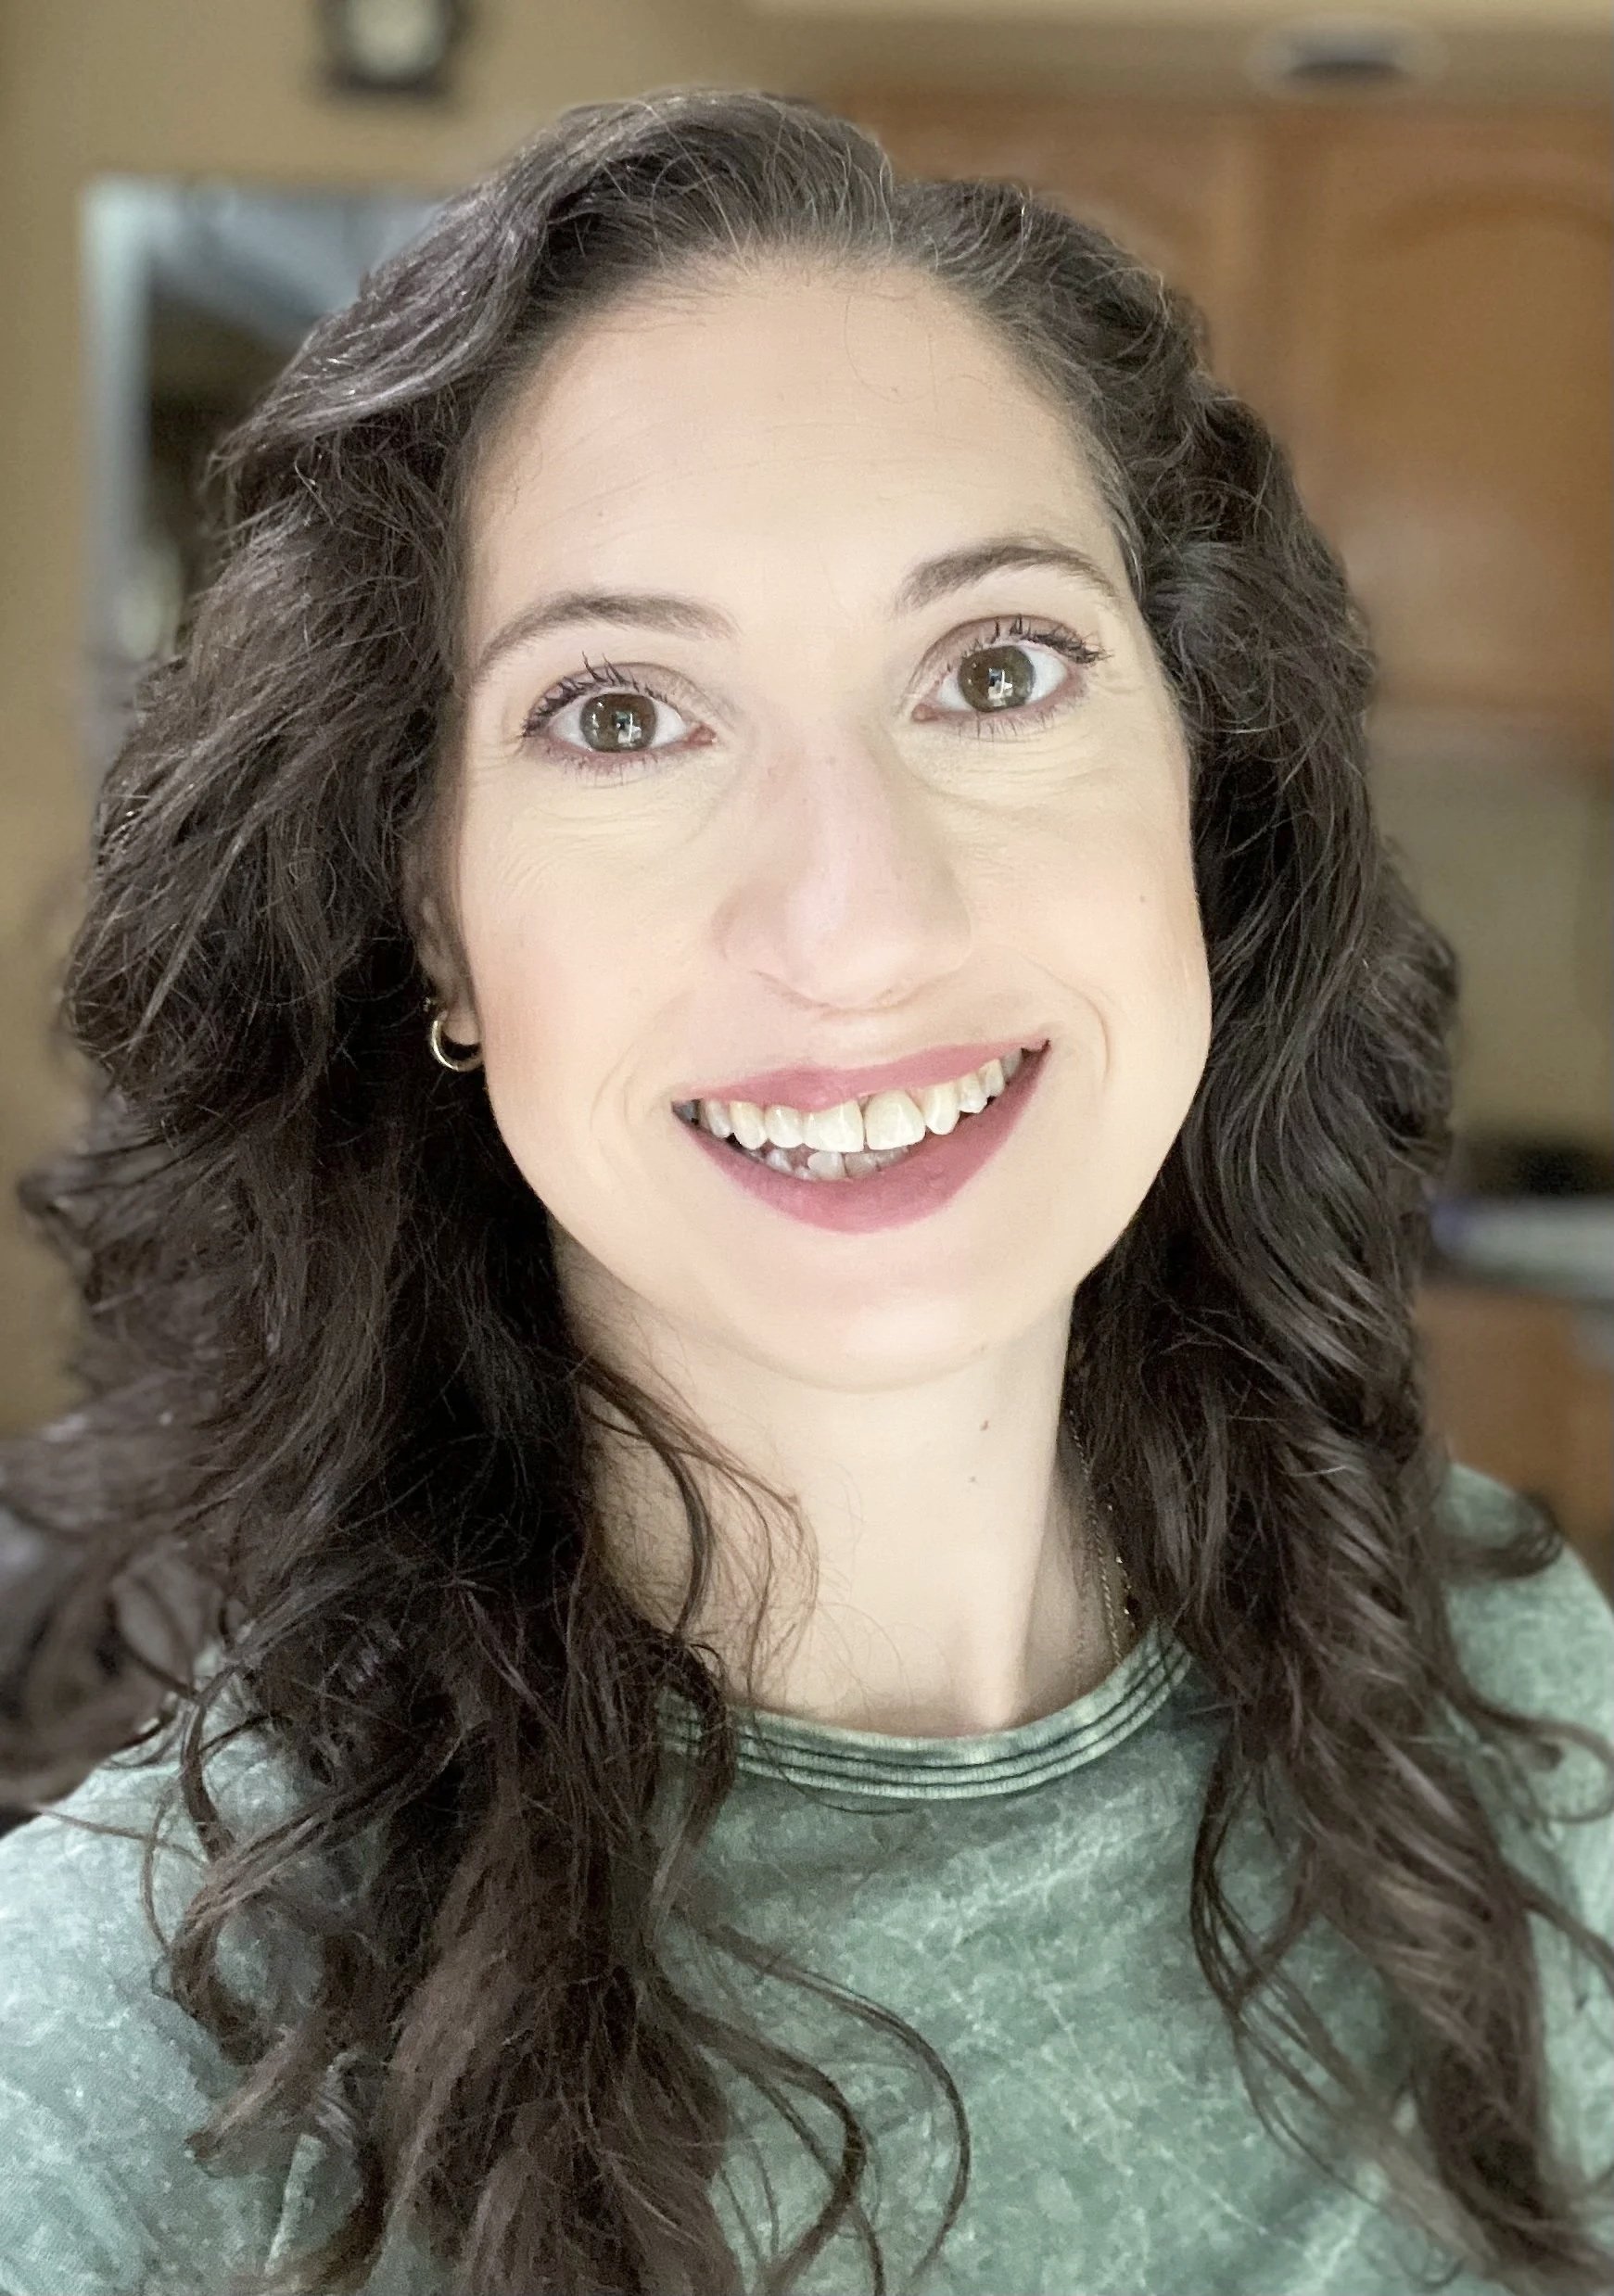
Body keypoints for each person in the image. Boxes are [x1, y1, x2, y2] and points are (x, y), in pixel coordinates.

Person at [0, 82, 1609, 2296]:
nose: (855, 924)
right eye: (622, 715)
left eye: (995, 671)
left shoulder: (1517, 1685)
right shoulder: (133, 2045)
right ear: (439, 917)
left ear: (1197, 795)